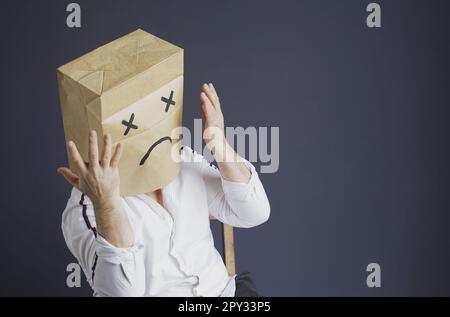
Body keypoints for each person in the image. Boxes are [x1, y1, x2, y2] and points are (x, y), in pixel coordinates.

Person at [58, 83, 270, 297]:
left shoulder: (181, 158)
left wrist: (219, 143)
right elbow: (122, 293)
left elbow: (254, 213)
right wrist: (107, 205)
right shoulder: (84, 209)